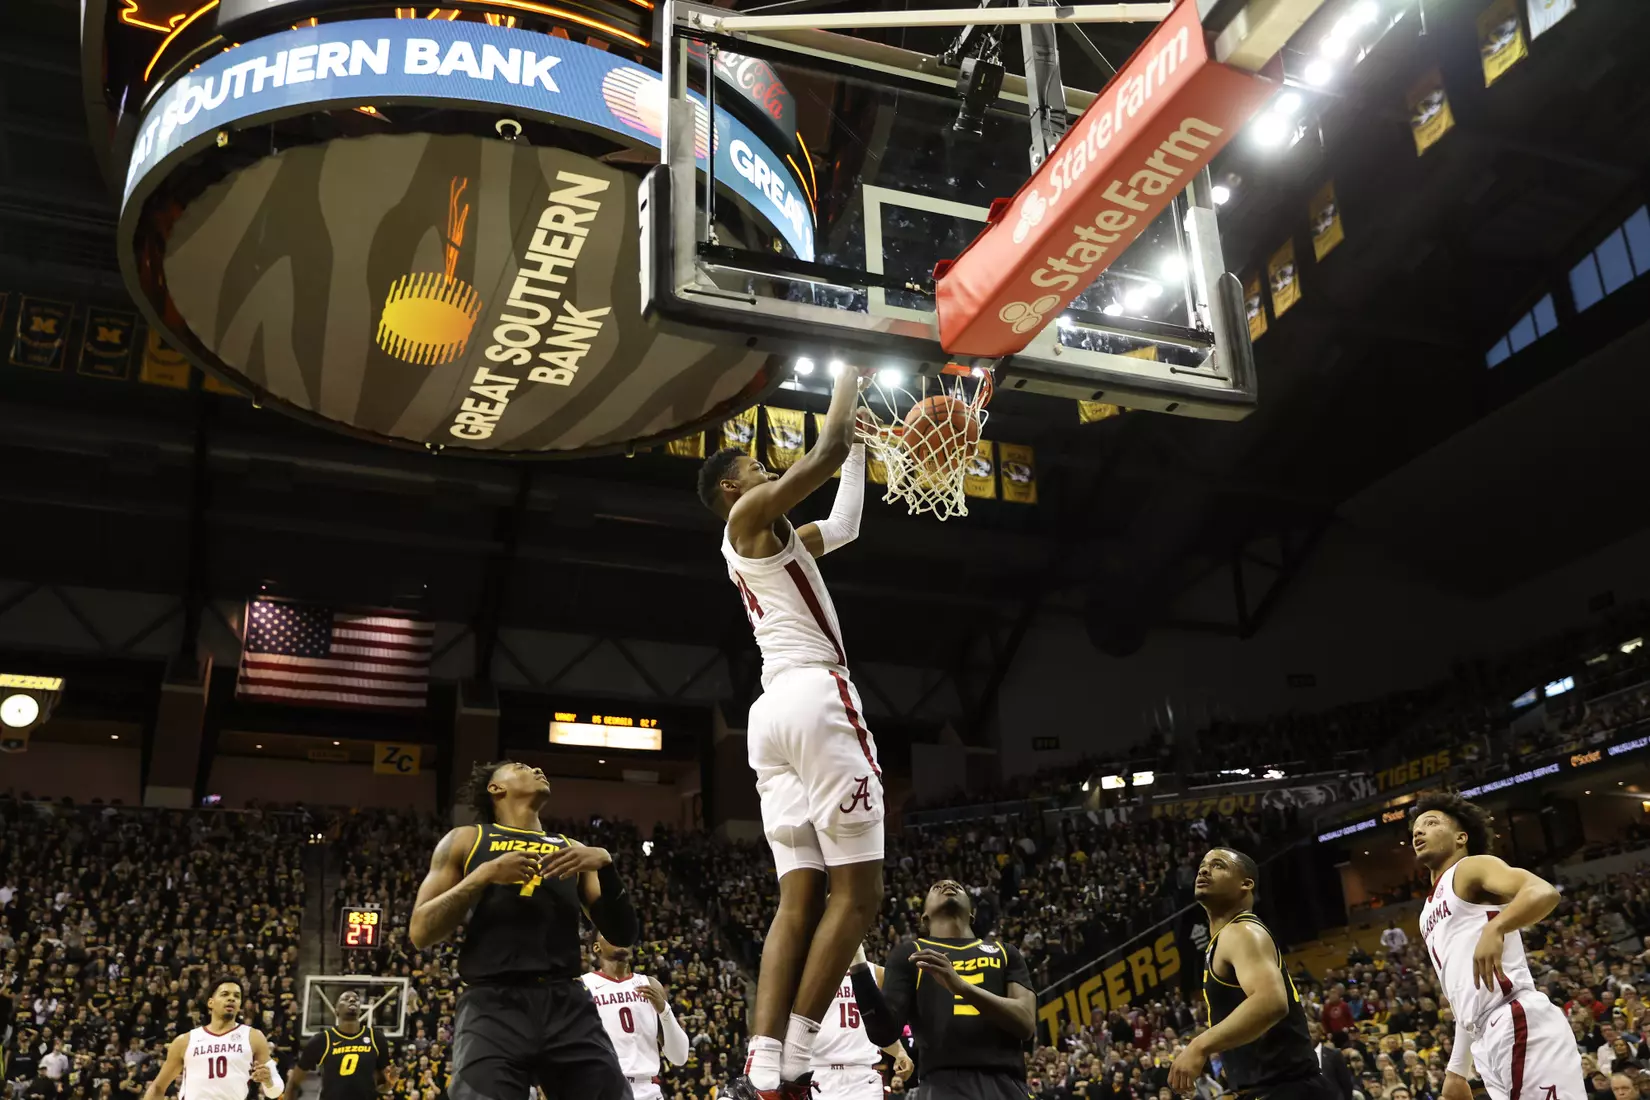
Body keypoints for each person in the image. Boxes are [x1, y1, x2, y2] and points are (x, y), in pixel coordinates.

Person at [696, 363, 885, 1100]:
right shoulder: (744, 523)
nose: (768, 470)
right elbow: (823, 453)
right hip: (814, 698)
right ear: (732, 493)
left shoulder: (776, 539)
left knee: (798, 899)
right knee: (859, 896)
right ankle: (803, 1052)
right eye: (755, 468)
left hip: (772, 716)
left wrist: (863, 447)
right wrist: (848, 379)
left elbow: (844, 523)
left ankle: (766, 1063)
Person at [410, 760, 640, 1100]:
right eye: (521, 767)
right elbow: (420, 931)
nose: (537, 769)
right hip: (493, 1005)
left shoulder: (570, 848)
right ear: (495, 788)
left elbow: (623, 935)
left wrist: (607, 866)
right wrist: (484, 875)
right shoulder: (466, 839)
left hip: (566, 1003)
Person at [1410, 792, 1585, 1100]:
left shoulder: (1471, 868)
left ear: (1461, 837)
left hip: (1517, 1017)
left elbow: (1543, 891)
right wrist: (1456, 1070)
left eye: (1432, 823)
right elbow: (1466, 996)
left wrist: (1497, 926)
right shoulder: (1426, 913)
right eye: (1416, 828)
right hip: (1485, 1039)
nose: (1419, 831)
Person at [1168, 849, 1333, 1100]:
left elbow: (1271, 1002)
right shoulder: (1226, 938)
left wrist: (1199, 1045)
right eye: (1202, 865)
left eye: (1218, 865)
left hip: (1288, 1089)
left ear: (1246, 884)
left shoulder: (1243, 931)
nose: (1203, 870)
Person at [849, 879, 1037, 1100]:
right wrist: (857, 959)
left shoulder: (1005, 952)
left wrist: (961, 987)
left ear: (972, 913)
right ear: (924, 917)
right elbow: (883, 1032)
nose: (948, 885)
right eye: (936, 887)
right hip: (942, 1086)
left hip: (1007, 1085)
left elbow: (1026, 1023)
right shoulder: (910, 954)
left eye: (959, 886)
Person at [579, 933, 690, 1100]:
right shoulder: (582, 987)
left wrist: (664, 1010)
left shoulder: (651, 985)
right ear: (596, 947)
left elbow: (680, 1057)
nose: (618, 932)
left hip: (647, 1090)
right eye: (609, 930)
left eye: (621, 929)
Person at [142, 977, 282, 1100]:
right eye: (225, 994)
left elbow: (275, 1091)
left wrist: (268, 1081)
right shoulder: (185, 1041)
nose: (231, 998)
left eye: (237, 996)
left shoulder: (253, 1037)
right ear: (211, 1003)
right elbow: (158, 1088)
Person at [810, 949, 914, 1100]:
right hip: (818, 1074)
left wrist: (899, 1052)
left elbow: (879, 1026)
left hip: (862, 1075)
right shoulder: (807, 975)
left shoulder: (876, 973)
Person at [285, 989, 393, 1100]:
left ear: (361, 1010)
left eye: (356, 999)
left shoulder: (376, 1038)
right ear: (336, 1010)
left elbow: (381, 1087)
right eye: (345, 999)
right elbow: (293, 1083)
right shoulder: (322, 1040)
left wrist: (389, 1085)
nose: (352, 1000)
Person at [1310, 1022, 1354, 1100]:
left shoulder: (1334, 1055)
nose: (1310, 1035)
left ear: (1320, 1033)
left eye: (1313, 1032)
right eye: (1307, 1032)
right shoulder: (1297, 1057)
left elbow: (1346, 1083)